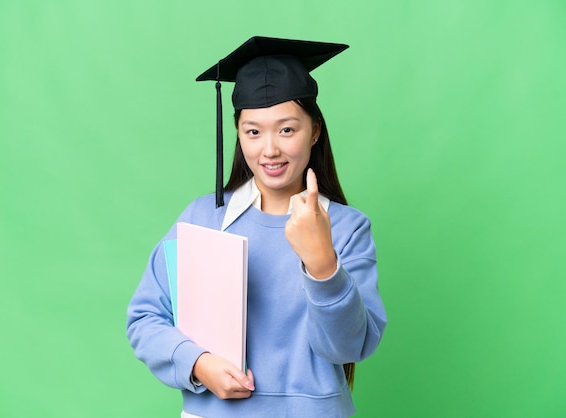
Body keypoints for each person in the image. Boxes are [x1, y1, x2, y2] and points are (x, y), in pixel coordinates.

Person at [126, 36, 387, 418]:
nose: (269, 150)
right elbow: (144, 318)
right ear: (237, 132)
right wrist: (197, 363)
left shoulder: (346, 228)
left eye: (286, 130)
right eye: (253, 131)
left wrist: (322, 264)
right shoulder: (203, 218)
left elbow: (348, 348)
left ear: (314, 131)